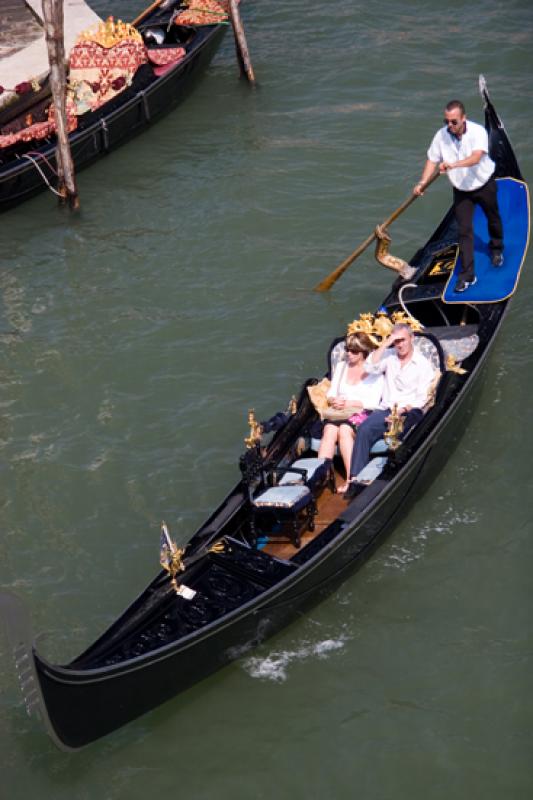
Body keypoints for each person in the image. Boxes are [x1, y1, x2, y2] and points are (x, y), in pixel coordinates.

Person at [414, 99, 503, 293]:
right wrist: (423, 182)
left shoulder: (478, 131)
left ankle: (496, 248)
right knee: (464, 231)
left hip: (483, 184)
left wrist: (453, 165)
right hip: (462, 190)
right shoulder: (441, 136)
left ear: (464, 119)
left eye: (454, 121)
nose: (449, 126)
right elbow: (432, 159)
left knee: (493, 218)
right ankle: (468, 275)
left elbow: (476, 157)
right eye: (446, 121)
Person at [345, 323, 435, 496]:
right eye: (396, 341)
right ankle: (355, 480)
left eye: (402, 340)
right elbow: (369, 366)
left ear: (412, 339)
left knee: (401, 437)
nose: (399, 345)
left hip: (409, 411)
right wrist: (386, 343)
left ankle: (390, 476)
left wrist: (400, 412)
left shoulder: (423, 364)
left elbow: (421, 398)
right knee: (364, 430)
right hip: (386, 410)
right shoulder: (388, 356)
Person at [318, 332, 383, 493]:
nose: (349, 353)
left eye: (354, 351)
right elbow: (331, 392)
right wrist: (334, 400)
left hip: (363, 412)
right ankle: (320, 476)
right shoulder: (342, 366)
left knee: (345, 430)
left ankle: (350, 479)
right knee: (329, 430)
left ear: (364, 353)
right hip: (340, 411)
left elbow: (373, 402)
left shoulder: (375, 372)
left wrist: (349, 403)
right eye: (347, 349)